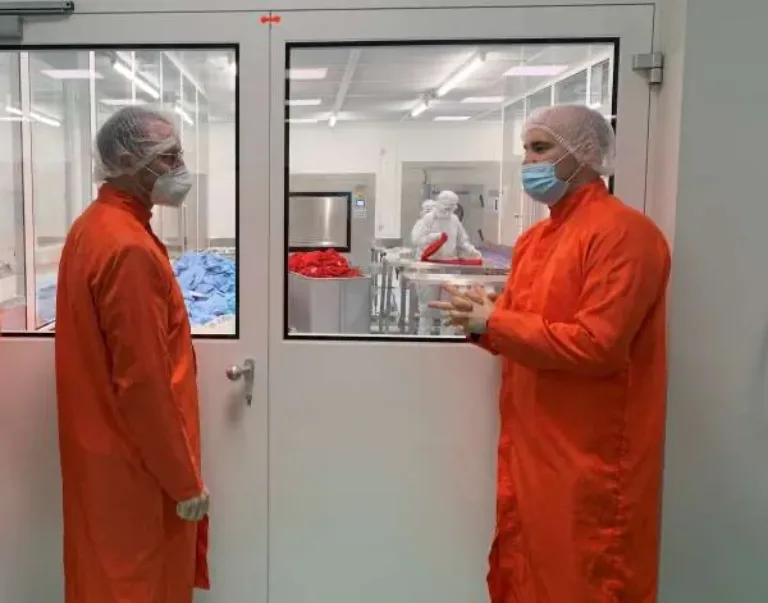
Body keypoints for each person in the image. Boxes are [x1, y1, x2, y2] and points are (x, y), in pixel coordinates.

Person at [431, 104, 670, 602]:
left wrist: (496, 322)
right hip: (532, 447)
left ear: (584, 153)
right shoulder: (536, 240)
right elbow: (523, 327)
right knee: (525, 576)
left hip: (589, 456)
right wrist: (480, 320)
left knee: (585, 580)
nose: (528, 163)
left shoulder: (624, 234)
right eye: (525, 150)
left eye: (540, 149)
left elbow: (599, 345)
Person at [55, 106, 210, 603]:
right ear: (125, 161)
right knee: (140, 585)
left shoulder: (94, 227)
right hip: (138, 470)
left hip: (102, 458)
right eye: (167, 157)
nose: (180, 166)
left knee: (101, 581)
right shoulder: (129, 250)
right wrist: (183, 482)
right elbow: (144, 384)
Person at [411, 192, 481, 334]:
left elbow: (462, 241)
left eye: (451, 207)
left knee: (449, 307)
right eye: (446, 206)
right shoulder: (429, 219)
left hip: (449, 269)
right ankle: (423, 338)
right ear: (439, 203)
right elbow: (417, 239)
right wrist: (435, 237)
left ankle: (447, 338)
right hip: (428, 268)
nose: (448, 210)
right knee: (427, 308)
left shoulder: (454, 220)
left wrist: (473, 251)